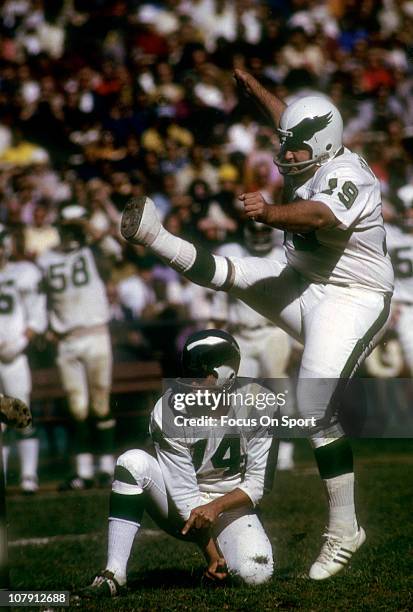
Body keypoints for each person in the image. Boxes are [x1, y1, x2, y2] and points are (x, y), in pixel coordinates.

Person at [119, 70, 394, 580]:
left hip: (354, 298)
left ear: (326, 144)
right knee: (232, 272)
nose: (286, 155)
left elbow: (319, 217)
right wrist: (259, 93)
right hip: (308, 281)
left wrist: (267, 213)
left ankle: (344, 529)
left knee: (312, 405)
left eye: (294, 148)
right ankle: (154, 235)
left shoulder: (349, 174)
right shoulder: (312, 143)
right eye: (284, 145)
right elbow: (290, 120)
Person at [80, 329, 274, 597]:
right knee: (132, 462)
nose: (190, 383)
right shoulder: (170, 409)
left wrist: (216, 506)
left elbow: (256, 485)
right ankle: (114, 574)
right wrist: (212, 556)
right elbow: (184, 495)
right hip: (179, 506)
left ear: (227, 374)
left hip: (231, 506)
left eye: (198, 374)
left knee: (255, 574)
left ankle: (231, 545)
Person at [37, 205, 115, 490]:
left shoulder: (93, 250)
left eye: (74, 227)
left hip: (95, 333)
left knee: (100, 403)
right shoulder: (46, 258)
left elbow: (114, 250)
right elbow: (40, 297)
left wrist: (86, 226)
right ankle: (82, 471)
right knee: (77, 406)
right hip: (67, 338)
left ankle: (106, 467)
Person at [210, 221, 295, 471]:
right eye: (254, 231)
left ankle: (286, 453)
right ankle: (246, 454)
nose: (259, 236)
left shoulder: (283, 255)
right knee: (241, 398)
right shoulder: (233, 253)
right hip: (242, 334)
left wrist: (297, 338)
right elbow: (220, 300)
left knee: (281, 390)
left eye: (263, 231)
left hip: (273, 332)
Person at [0, 224, 47, 493]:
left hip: (14, 355)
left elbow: (36, 314)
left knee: (20, 412)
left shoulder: (24, 273)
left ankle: (29, 475)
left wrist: (20, 342)